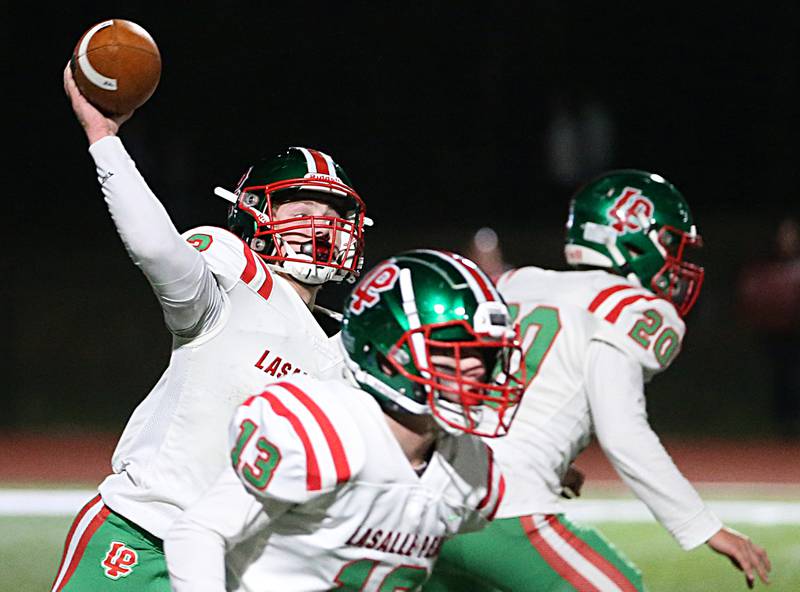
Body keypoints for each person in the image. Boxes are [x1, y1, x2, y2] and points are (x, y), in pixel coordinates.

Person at [50, 64, 369, 592]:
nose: (323, 222)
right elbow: (156, 249)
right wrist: (104, 140)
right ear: (253, 214)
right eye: (305, 206)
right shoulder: (232, 280)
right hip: (142, 536)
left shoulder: (349, 347)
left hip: (239, 568)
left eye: (335, 210)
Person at [426, 170, 772, 591]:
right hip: (503, 504)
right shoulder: (627, 307)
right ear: (630, 240)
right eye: (669, 245)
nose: (676, 264)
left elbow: (467, 388)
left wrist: (548, 459)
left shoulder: (515, 284)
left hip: (428, 502)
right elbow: (623, 432)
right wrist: (705, 527)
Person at [163, 249, 527, 591]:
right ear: (387, 354)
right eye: (451, 354)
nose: (475, 372)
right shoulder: (325, 431)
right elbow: (196, 535)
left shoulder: (470, 466)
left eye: (484, 355)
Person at [737, 216, 800, 437]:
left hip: (794, 331)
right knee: (782, 378)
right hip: (776, 332)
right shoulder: (766, 266)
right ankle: (784, 424)